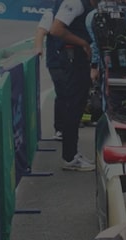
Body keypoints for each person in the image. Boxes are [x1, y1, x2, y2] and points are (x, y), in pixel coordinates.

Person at [46, 0, 97, 171]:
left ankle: (72, 154)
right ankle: (69, 157)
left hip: (80, 62)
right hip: (72, 61)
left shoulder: (90, 5)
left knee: (77, 107)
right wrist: (82, 43)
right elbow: (56, 29)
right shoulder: (75, 2)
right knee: (72, 107)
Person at [34, 11, 63, 140]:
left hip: (74, 62)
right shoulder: (51, 14)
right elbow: (41, 32)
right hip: (56, 62)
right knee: (63, 93)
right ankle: (60, 129)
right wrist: (38, 49)